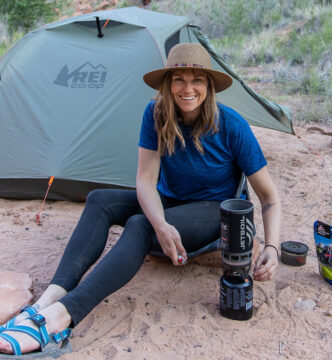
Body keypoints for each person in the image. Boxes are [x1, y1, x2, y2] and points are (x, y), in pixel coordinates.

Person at [0, 43, 281, 356]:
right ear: (167, 84)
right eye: (179, 80)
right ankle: (51, 296)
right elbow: (146, 180)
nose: (188, 89)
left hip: (214, 212)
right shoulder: (156, 113)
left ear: (209, 86)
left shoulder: (232, 125)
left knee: (140, 225)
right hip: (171, 201)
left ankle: (63, 315)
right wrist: (161, 222)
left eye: (197, 80)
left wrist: (271, 246)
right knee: (100, 200)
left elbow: (269, 198)